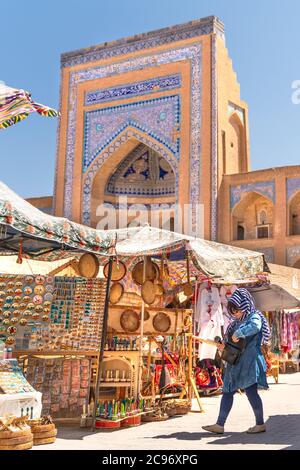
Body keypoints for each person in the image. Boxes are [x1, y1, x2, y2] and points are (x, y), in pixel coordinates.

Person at [202, 288, 268, 434]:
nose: (235, 314)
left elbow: (255, 327)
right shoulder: (234, 323)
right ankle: (220, 424)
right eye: (233, 311)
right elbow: (230, 341)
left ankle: (260, 424)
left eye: (237, 310)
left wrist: (240, 332)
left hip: (249, 362)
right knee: (227, 391)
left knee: (251, 392)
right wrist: (222, 344)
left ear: (244, 305)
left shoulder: (254, 316)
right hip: (235, 363)